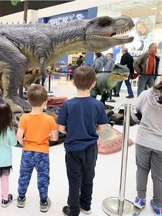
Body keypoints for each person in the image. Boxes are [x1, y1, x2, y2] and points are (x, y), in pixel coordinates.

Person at [57, 65, 108, 216]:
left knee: (74, 181)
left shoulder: (68, 104)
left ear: (73, 82)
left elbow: (61, 128)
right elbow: (103, 126)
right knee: (88, 177)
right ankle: (86, 205)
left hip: (73, 149)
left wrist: (71, 130)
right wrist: (92, 129)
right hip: (91, 148)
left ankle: (73, 210)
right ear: (93, 83)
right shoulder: (97, 104)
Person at [16, 84, 58, 213]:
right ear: (45, 102)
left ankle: (21, 198)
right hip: (42, 153)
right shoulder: (49, 119)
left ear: (28, 101)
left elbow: (18, 136)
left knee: (24, 175)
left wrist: (25, 143)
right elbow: (55, 138)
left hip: (27, 152)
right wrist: (48, 135)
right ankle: (44, 202)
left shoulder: (24, 118)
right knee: (43, 177)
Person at [131, 81, 162, 216]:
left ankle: (140, 199)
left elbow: (134, 113)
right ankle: (158, 204)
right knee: (159, 176)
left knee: (142, 169)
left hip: (143, 140)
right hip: (160, 145)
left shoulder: (146, 94)